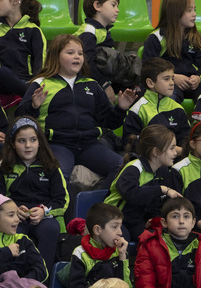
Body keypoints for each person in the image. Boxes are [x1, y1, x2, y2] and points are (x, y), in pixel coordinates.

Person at [17, 33, 135, 182]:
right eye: (70, 53)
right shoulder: (41, 83)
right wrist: (34, 106)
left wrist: (120, 109)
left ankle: (100, 205)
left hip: (89, 144)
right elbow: (21, 119)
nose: (77, 57)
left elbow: (109, 122)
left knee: (121, 167)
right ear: (56, 56)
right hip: (57, 144)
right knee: (59, 175)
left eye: (80, 53)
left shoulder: (91, 85)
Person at [0, 118, 67, 269]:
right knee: (13, 231)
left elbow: (62, 200)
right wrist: (13, 211)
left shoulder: (51, 166)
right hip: (15, 217)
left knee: (50, 229)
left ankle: (42, 279)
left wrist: (44, 211)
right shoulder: (2, 167)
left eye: (33, 140)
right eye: (21, 141)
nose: (28, 145)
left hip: (44, 217)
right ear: (12, 144)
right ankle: (19, 280)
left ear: (40, 142)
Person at [67, 203, 148, 288]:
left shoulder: (119, 251)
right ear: (97, 230)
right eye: (114, 227)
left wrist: (122, 258)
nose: (120, 232)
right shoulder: (80, 253)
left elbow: (126, 285)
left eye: (120, 227)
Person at [105, 124, 184, 239]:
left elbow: (155, 204)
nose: (175, 153)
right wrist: (161, 189)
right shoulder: (134, 168)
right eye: (171, 148)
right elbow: (132, 195)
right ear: (156, 152)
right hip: (112, 218)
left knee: (156, 239)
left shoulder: (162, 172)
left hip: (135, 221)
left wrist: (153, 220)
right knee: (121, 237)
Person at [142, 0, 201, 102]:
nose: (194, 14)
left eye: (194, 10)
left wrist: (197, 78)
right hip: (169, 83)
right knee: (169, 97)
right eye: (189, 10)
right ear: (175, 13)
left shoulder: (196, 38)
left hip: (192, 84)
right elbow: (148, 68)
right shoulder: (156, 37)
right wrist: (172, 77)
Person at [0, 0, 45, 98]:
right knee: (2, 73)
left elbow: (40, 64)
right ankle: (29, 97)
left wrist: (36, 84)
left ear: (16, 0)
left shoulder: (33, 30)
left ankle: (29, 94)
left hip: (26, 82)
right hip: (1, 84)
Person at [124, 58, 190, 152]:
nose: (172, 83)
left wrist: (179, 151)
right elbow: (129, 144)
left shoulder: (178, 109)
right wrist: (165, 149)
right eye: (166, 79)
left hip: (175, 160)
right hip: (148, 161)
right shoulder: (137, 109)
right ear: (150, 83)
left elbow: (185, 139)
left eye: (173, 79)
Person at [75, 0, 121, 91]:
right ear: (97, 6)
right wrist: (104, 84)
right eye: (113, 5)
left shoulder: (103, 31)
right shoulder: (89, 31)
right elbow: (86, 62)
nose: (117, 10)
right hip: (90, 84)